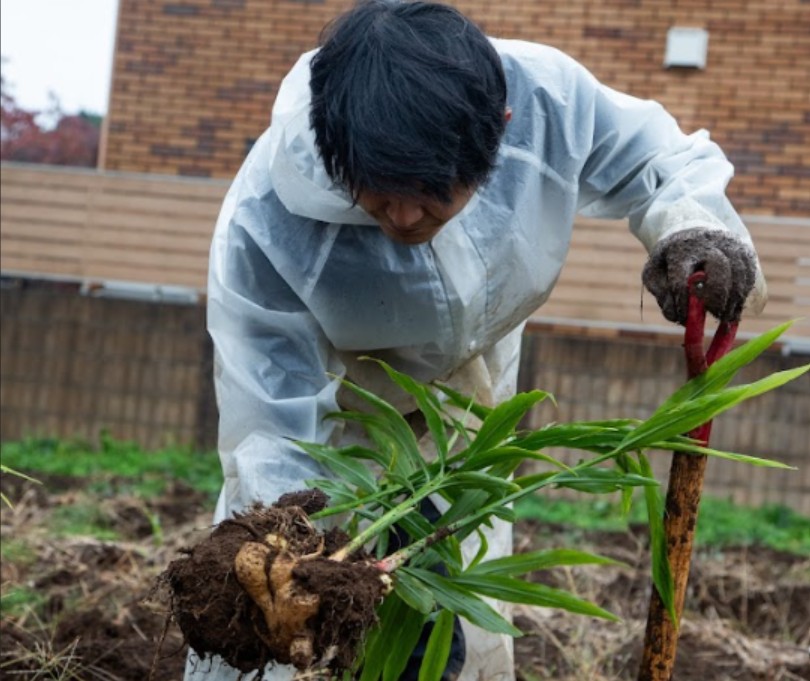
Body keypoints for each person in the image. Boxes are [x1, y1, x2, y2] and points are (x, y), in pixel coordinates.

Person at [187, 1, 767, 679]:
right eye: (377, 190)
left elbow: (659, 155)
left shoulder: (549, 99)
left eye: (430, 188)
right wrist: (291, 535)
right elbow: (271, 417)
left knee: (448, 602)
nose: (405, 215)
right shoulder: (266, 220)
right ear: (332, 139)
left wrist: (693, 227)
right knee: (301, 615)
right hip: (341, 419)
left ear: (502, 128)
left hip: (468, 398)